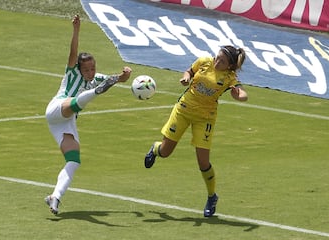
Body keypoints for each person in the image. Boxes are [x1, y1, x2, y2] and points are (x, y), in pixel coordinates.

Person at [144, 46, 248, 217]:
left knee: (203, 162)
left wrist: (239, 96)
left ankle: (211, 196)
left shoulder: (229, 78)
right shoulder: (204, 61)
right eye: (217, 57)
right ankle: (155, 149)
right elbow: (189, 71)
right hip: (183, 110)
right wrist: (186, 78)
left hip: (205, 118)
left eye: (222, 61)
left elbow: (243, 93)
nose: (217, 61)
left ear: (229, 66)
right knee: (165, 151)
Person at [44, 15, 132, 215]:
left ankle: (54, 197)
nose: (91, 72)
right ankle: (94, 94)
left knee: (73, 161)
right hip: (57, 108)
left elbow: (116, 79)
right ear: (79, 68)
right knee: (77, 101)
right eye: (87, 69)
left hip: (65, 123)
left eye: (93, 68)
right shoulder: (72, 72)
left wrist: (123, 76)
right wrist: (76, 30)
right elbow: (73, 51)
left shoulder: (97, 77)